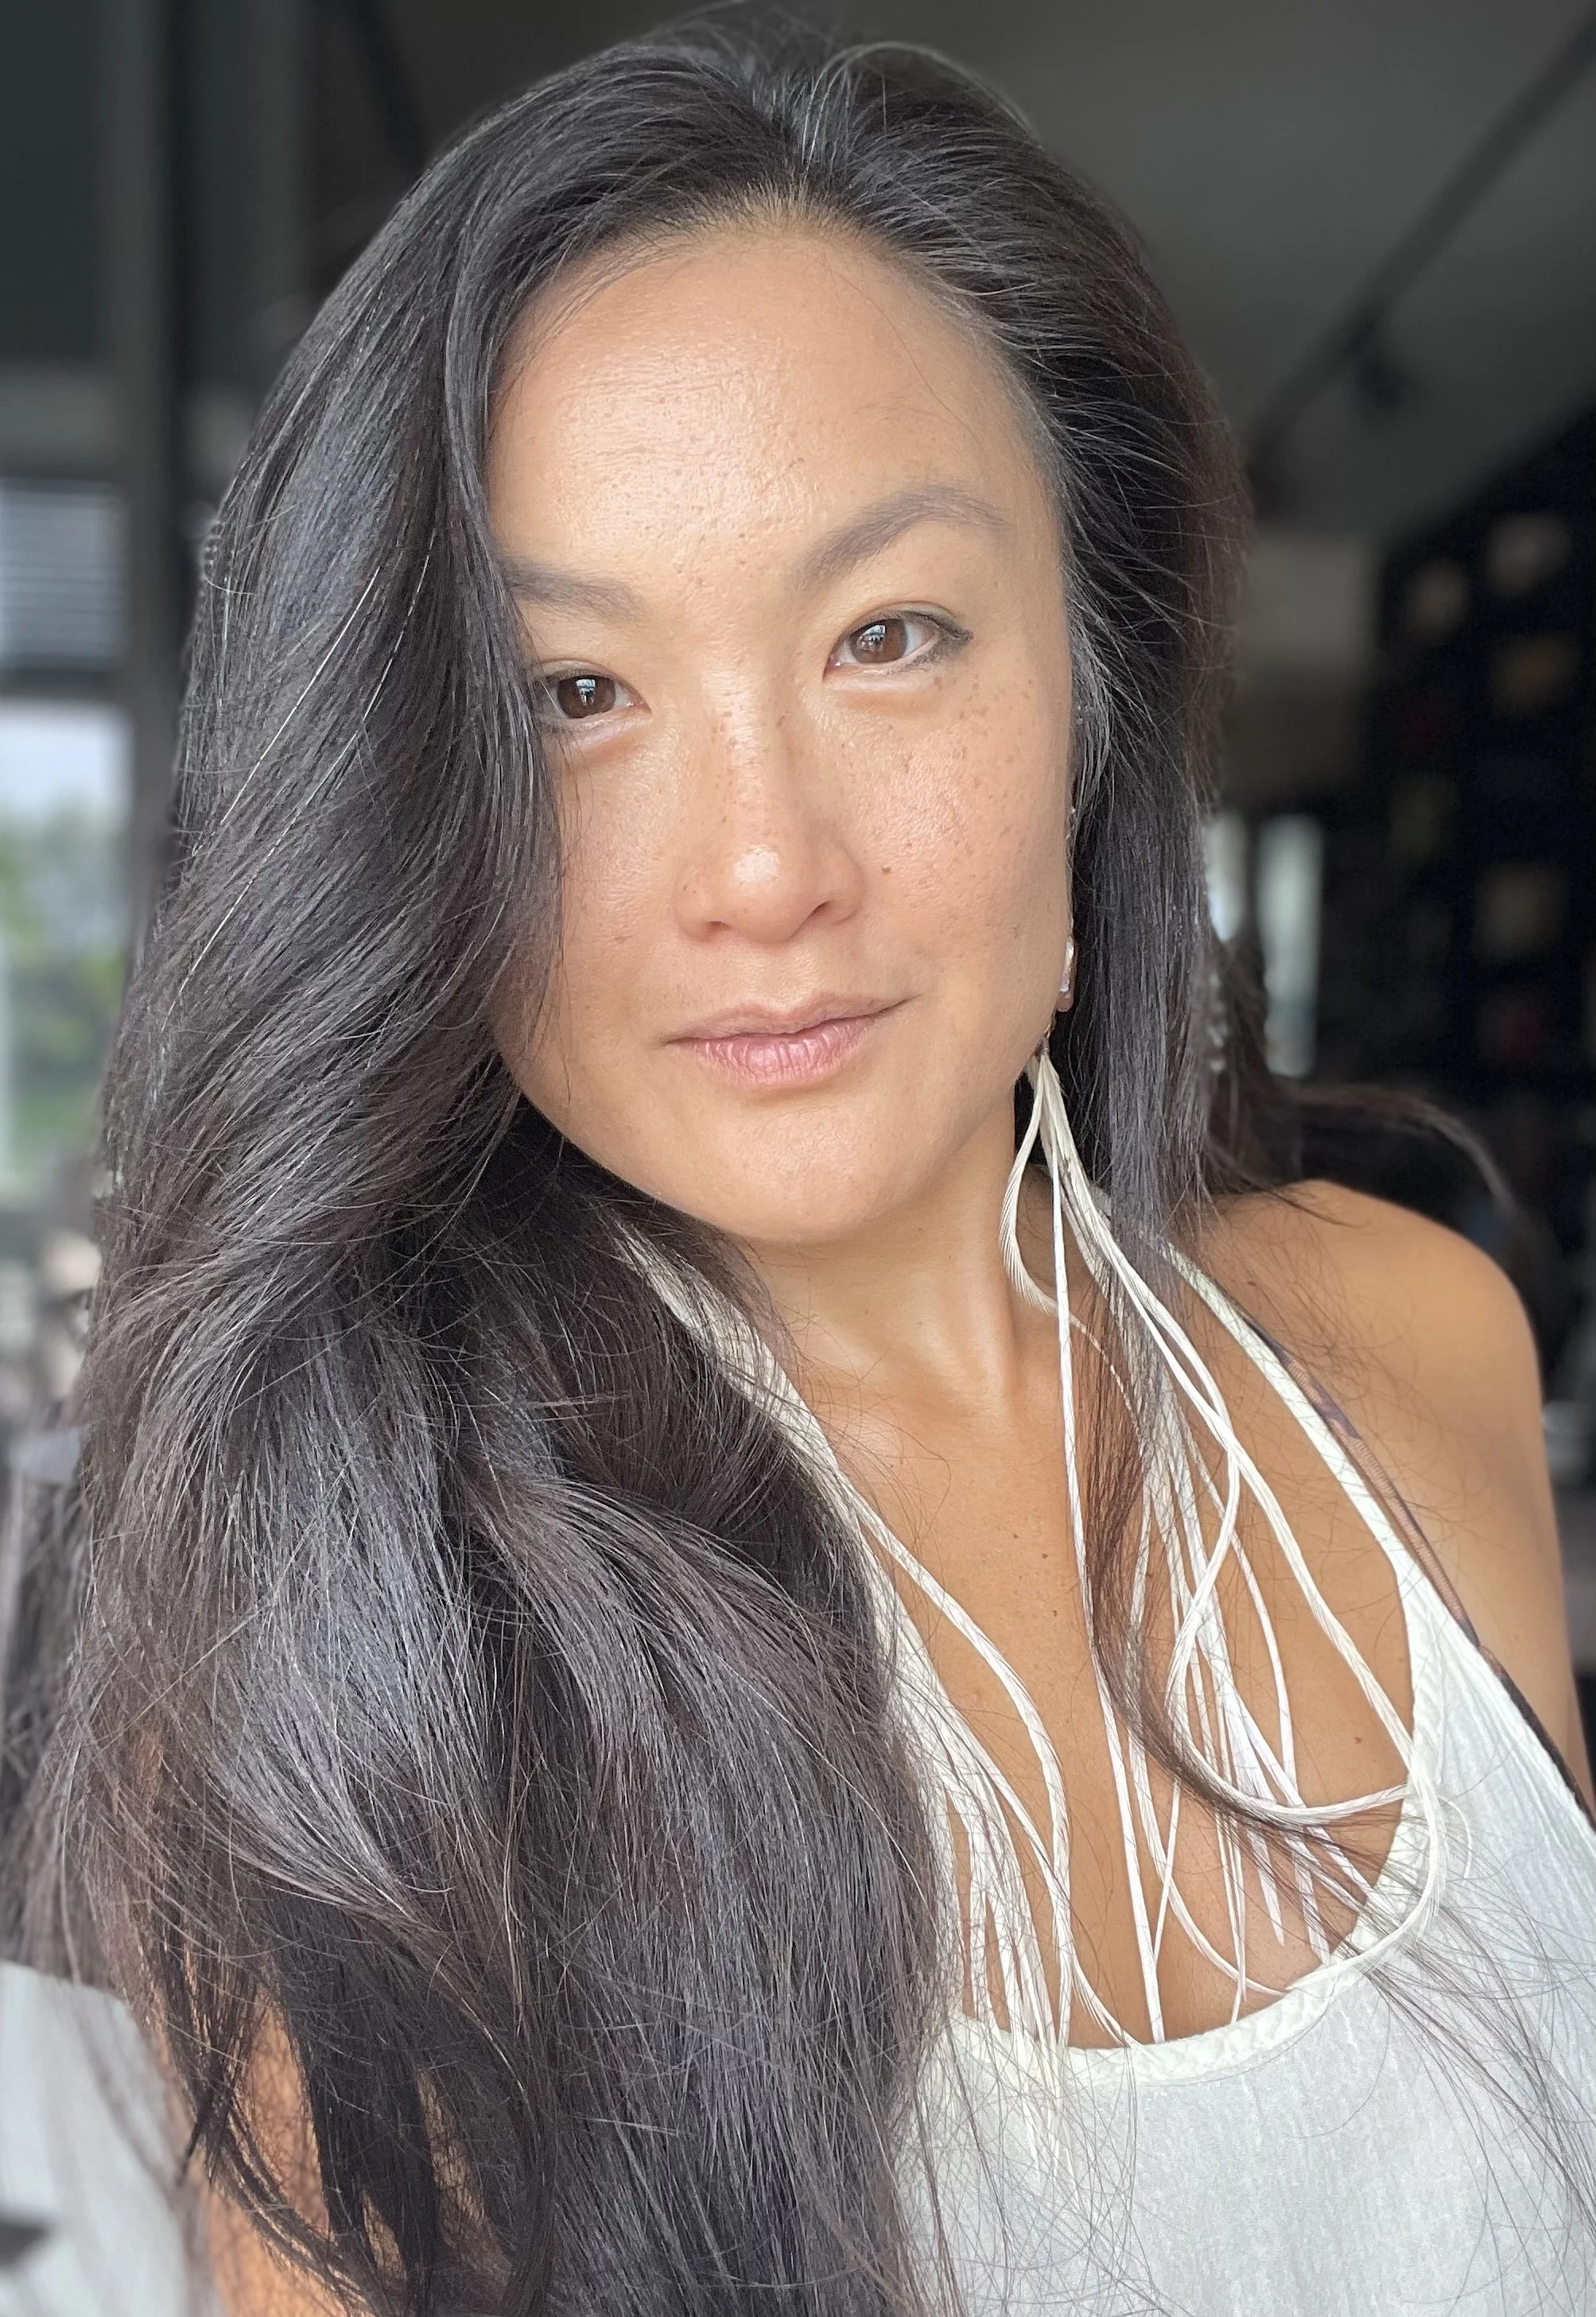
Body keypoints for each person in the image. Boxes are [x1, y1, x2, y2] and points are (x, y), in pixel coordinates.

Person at [6, 13, 1594, 2315]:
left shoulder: (1412, 1343)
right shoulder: (351, 1642)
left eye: (890, 636)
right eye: (571, 697)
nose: (762, 866)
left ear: (1098, 690)